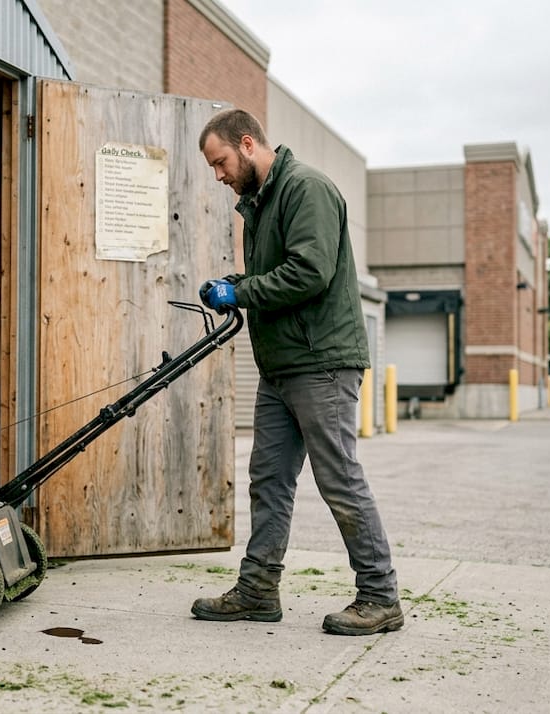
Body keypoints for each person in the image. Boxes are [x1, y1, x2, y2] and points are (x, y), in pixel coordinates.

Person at [192, 108, 402, 636]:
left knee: (339, 480)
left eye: (220, 163)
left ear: (246, 143)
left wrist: (239, 291)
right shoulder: (259, 204)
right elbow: (273, 275)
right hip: (282, 365)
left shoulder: (307, 188)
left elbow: (310, 272)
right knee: (269, 479)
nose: (218, 176)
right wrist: (233, 282)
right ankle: (258, 589)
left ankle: (380, 596)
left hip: (322, 363)